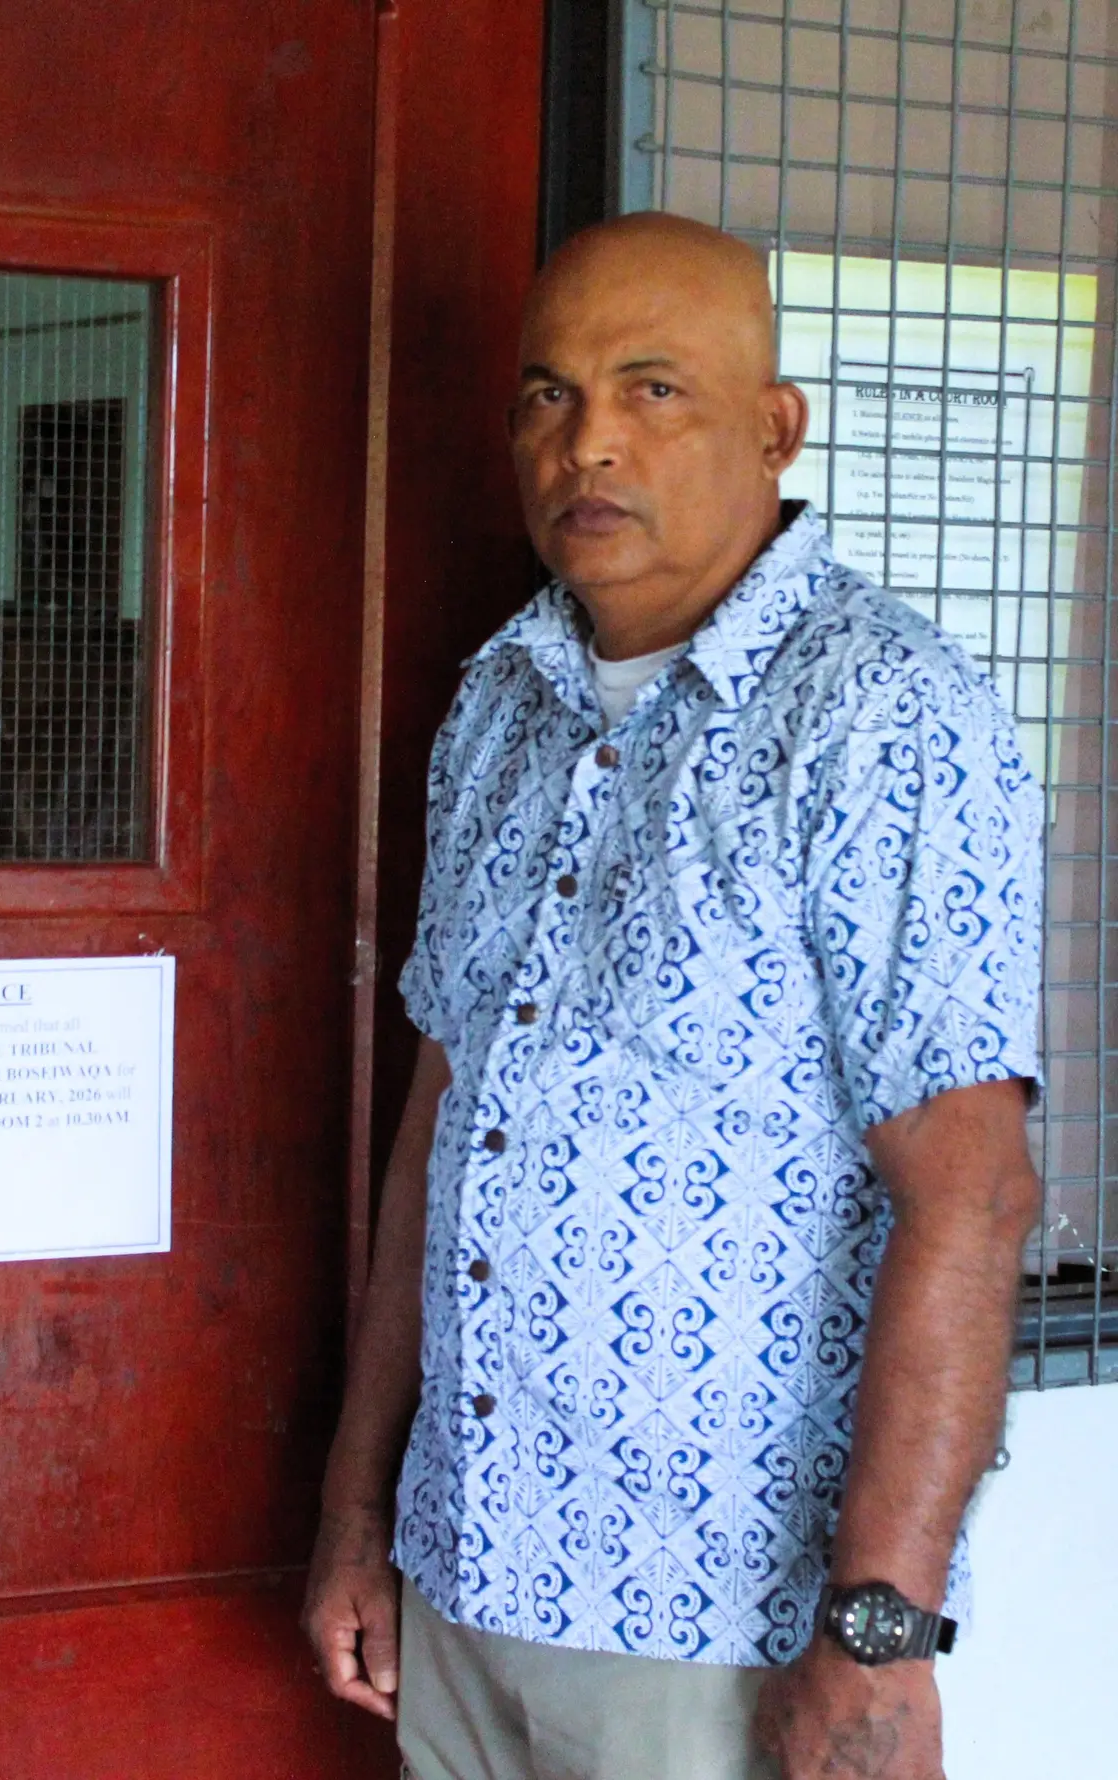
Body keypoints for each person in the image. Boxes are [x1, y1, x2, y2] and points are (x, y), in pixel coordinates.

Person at [303, 212, 1044, 1780]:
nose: (590, 446)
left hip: (725, 1639)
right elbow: (444, 1134)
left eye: (654, 392)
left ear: (775, 429)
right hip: (463, 1591)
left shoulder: (882, 715)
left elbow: (970, 1203)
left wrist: (876, 1641)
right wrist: (358, 1515)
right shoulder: (500, 703)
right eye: (548, 396)